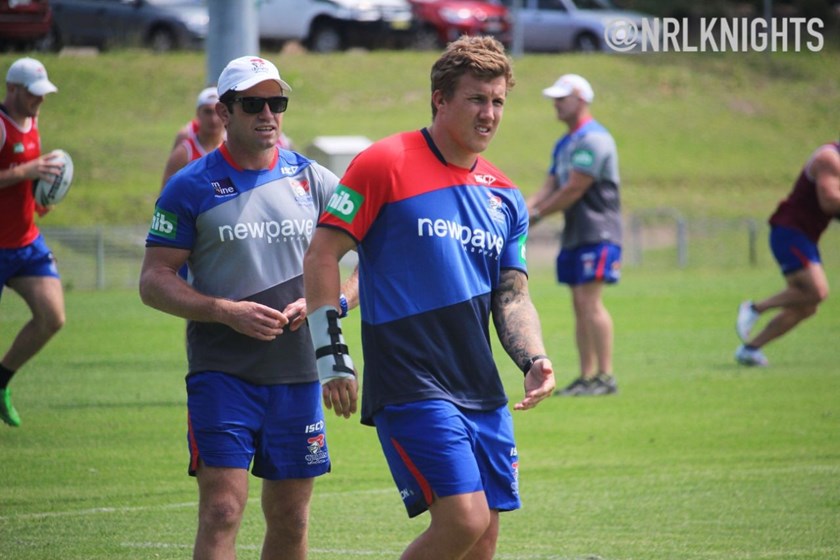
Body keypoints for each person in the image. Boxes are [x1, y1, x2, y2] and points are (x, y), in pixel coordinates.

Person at [303, 36, 556, 560]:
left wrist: (533, 357)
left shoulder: (505, 196)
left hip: (481, 386)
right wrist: (332, 357)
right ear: (440, 99)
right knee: (462, 519)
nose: (489, 114)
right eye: (476, 99)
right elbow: (323, 256)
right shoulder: (383, 163)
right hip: (412, 382)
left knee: (484, 535)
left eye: (498, 101)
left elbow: (513, 294)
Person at [139, 55, 355, 560]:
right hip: (222, 374)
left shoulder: (315, 180)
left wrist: (332, 303)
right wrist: (223, 310)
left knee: (292, 517)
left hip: (300, 376)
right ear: (225, 110)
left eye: (276, 102)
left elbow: (373, 257)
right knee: (222, 511)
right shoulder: (190, 186)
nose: (268, 114)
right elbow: (153, 280)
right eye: (253, 103)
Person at [526, 74, 622, 397]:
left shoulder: (594, 139)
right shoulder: (564, 144)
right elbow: (549, 187)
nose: (556, 103)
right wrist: (519, 214)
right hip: (575, 234)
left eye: (562, 98)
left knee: (590, 302)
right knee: (579, 304)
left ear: (581, 99)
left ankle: (605, 376)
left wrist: (536, 216)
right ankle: (586, 376)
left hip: (598, 231)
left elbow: (574, 189)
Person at [0, 57, 66, 428]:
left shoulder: (33, 120)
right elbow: (24, 167)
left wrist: (38, 196)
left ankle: (1, 380)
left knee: (52, 317)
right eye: (34, 95)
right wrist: (29, 171)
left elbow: (27, 176)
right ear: (12, 89)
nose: (40, 101)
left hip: (25, 241)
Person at [735, 141, 840, 366]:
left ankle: (750, 349)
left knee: (807, 305)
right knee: (817, 291)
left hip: (805, 237)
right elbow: (830, 202)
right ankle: (754, 308)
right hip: (790, 231)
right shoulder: (829, 159)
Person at [160, 86, 225, 189]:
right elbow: (165, 194)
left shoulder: (233, 148)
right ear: (198, 113)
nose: (213, 119)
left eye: (217, 112)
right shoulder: (184, 153)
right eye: (208, 112)